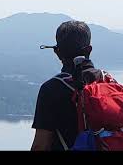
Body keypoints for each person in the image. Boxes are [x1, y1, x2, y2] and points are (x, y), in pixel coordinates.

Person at [31, 21, 105, 151]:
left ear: (57, 52)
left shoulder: (52, 89)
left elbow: (40, 145)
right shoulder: (107, 82)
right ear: (89, 50)